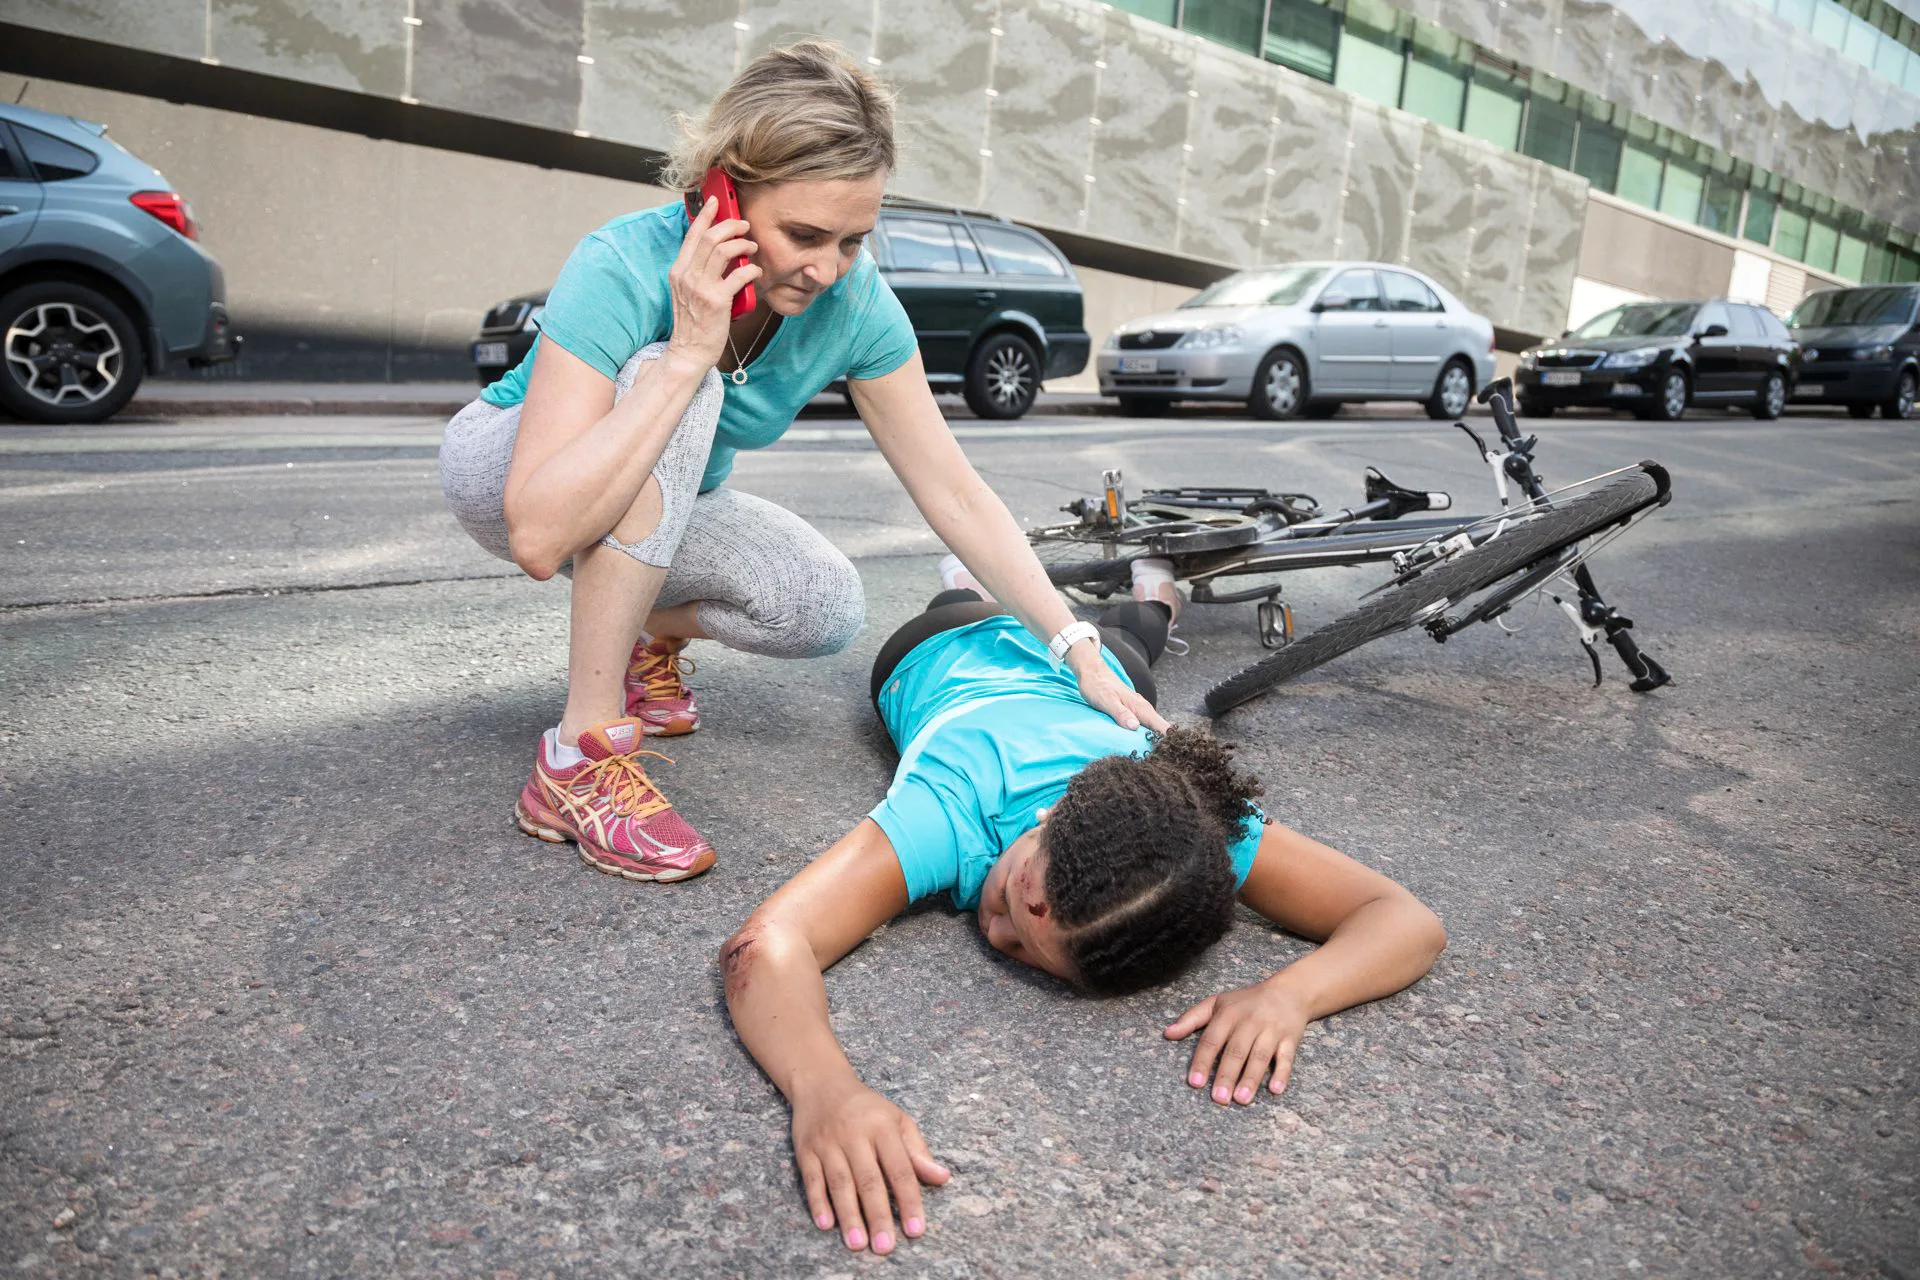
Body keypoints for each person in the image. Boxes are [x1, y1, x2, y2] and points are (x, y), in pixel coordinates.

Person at [438, 42, 1161, 885]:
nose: (828, 269)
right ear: (723, 191)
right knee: (684, 384)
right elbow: (536, 533)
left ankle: (642, 632)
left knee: (822, 605)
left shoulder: (855, 302)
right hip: (514, 474)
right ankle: (579, 757)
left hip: (655, 502)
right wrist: (687, 352)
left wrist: (1074, 644)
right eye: (805, 235)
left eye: (855, 239)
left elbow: (954, 491)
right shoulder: (621, 263)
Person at [720, 567, 1449, 1256]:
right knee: (970, 607)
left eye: (1021, 949)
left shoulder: (1193, 832)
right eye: (1010, 898)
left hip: (1104, 684)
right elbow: (768, 942)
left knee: (1134, 640)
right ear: (1049, 816)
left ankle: (1156, 591)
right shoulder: (954, 805)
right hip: (943, 647)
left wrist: (1290, 996)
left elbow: (1406, 921)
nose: (993, 926)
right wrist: (824, 1091)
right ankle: (975, 580)